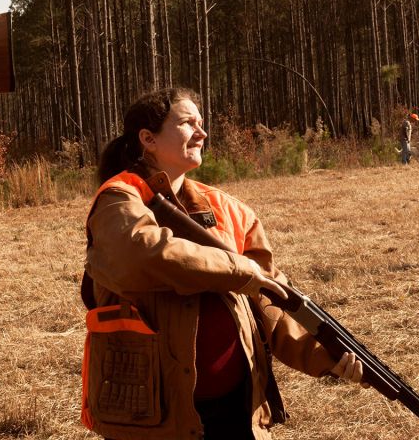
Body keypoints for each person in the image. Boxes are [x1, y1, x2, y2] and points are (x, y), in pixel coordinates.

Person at [80, 87, 366, 440]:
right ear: (148, 138)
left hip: (237, 407)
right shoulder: (119, 197)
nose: (201, 132)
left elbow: (270, 298)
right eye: (187, 123)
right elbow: (143, 253)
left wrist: (326, 355)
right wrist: (241, 272)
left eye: (202, 123)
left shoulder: (229, 208)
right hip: (151, 412)